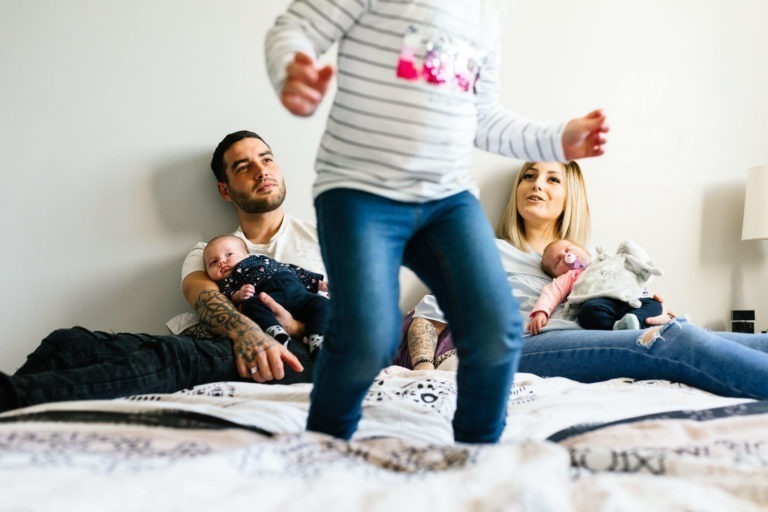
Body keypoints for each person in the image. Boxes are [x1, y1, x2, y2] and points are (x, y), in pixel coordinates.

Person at [265, 1, 609, 443]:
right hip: (360, 192)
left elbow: (481, 116)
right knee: (370, 335)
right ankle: (325, 441)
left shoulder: (486, 14)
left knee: (495, 326)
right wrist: (293, 70)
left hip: (446, 200)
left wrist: (555, 139)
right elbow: (294, 27)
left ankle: (477, 449)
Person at [0, 130, 322, 413]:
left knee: (173, 355)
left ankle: (9, 398)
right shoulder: (210, 254)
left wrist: (294, 326)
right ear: (225, 190)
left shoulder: (329, 241)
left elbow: (367, 321)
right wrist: (248, 333)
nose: (260, 170)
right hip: (235, 344)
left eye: (266, 159)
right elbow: (206, 299)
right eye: (243, 166)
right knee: (69, 343)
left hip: (298, 358)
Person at [398, 161, 768, 401]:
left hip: (574, 338)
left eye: (551, 178)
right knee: (670, 344)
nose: (536, 184)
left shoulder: (590, 264)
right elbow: (427, 320)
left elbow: (613, 307)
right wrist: (425, 374)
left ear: (569, 196)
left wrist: (647, 307)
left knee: (691, 331)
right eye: (528, 176)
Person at [203, 234, 328, 358]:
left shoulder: (262, 260)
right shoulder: (226, 281)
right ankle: (275, 332)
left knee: (323, 303)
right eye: (213, 262)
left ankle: (317, 337)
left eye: (229, 254)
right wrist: (238, 295)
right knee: (250, 305)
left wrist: (319, 283)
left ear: (247, 254)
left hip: (298, 294)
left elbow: (293, 270)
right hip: (268, 296)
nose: (221, 262)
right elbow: (227, 294)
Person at [528, 239, 663, 334]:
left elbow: (633, 279)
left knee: (654, 304)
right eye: (557, 261)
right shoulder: (571, 276)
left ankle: (635, 321)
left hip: (628, 302)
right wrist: (541, 312)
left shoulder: (610, 261)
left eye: (567, 249)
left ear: (584, 251)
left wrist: (642, 294)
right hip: (600, 303)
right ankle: (617, 328)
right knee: (588, 312)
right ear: (556, 274)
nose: (565, 256)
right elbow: (552, 291)